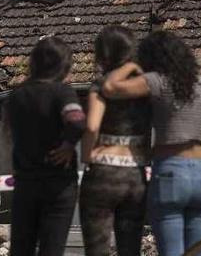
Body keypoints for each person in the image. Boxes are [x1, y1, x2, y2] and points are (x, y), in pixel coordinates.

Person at [102, 30, 201, 256]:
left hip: (170, 170)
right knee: (199, 251)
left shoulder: (157, 82)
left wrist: (130, 65)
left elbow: (110, 87)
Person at [7, 36, 86, 256]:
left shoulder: (16, 95)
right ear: (65, 66)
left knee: (21, 249)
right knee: (52, 248)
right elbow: (78, 121)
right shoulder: (62, 93)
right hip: (58, 185)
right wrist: (69, 144)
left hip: (25, 182)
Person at [80, 26, 150, 256]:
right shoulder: (146, 87)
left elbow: (92, 126)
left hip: (103, 171)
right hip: (135, 172)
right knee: (130, 249)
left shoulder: (100, 86)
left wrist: (87, 156)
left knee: (97, 248)